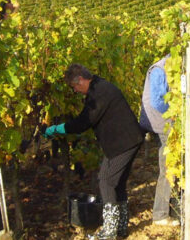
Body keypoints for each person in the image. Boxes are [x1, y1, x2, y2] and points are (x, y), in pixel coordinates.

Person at [44, 64, 144, 240]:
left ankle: (110, 231)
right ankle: (120, 228)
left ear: (81, 80)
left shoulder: (99, 93)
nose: (75, 91)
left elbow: (84, 122)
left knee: (106, 181)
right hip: (124, 141)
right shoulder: (98, 86)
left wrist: (58, 129)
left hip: (125, 142)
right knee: (116, 182)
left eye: (74, 87)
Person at [139, 54, 178, 226]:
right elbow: (157, 101)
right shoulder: (159, 70)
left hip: (164, 122)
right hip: (161, 123)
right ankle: (160, 214)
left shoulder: (169, 67)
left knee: (172, 165)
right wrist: (176, 115)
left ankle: (172, 208)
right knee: (168, 168)